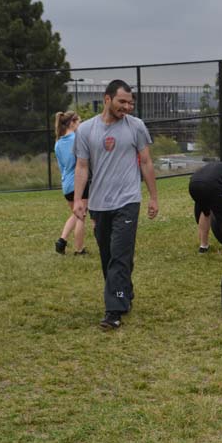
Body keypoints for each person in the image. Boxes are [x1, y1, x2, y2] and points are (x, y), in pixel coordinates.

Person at [73, 79, 159, 330]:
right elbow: (82, 166)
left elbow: (146, 163)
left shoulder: (136, 127)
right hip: (100, 203)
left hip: (128, 200)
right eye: (122, 102)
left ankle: (114, 310)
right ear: (107, 99)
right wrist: (79, 199)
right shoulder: (86, 130)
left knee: (120, 254)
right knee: (108, 255)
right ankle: (124, 292)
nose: (127, 107)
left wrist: (153, 197)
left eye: (130, 102)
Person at [54, 111, 89, 255]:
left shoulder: (58, 143)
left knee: (75, 214)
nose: (80, 125)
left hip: (66, 185)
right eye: (79, 122)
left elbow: (62, 167)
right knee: (81, 215)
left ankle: (62, 240)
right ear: (72, 123)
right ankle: (79, 249)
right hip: (79, 182)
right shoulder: (77, 139)